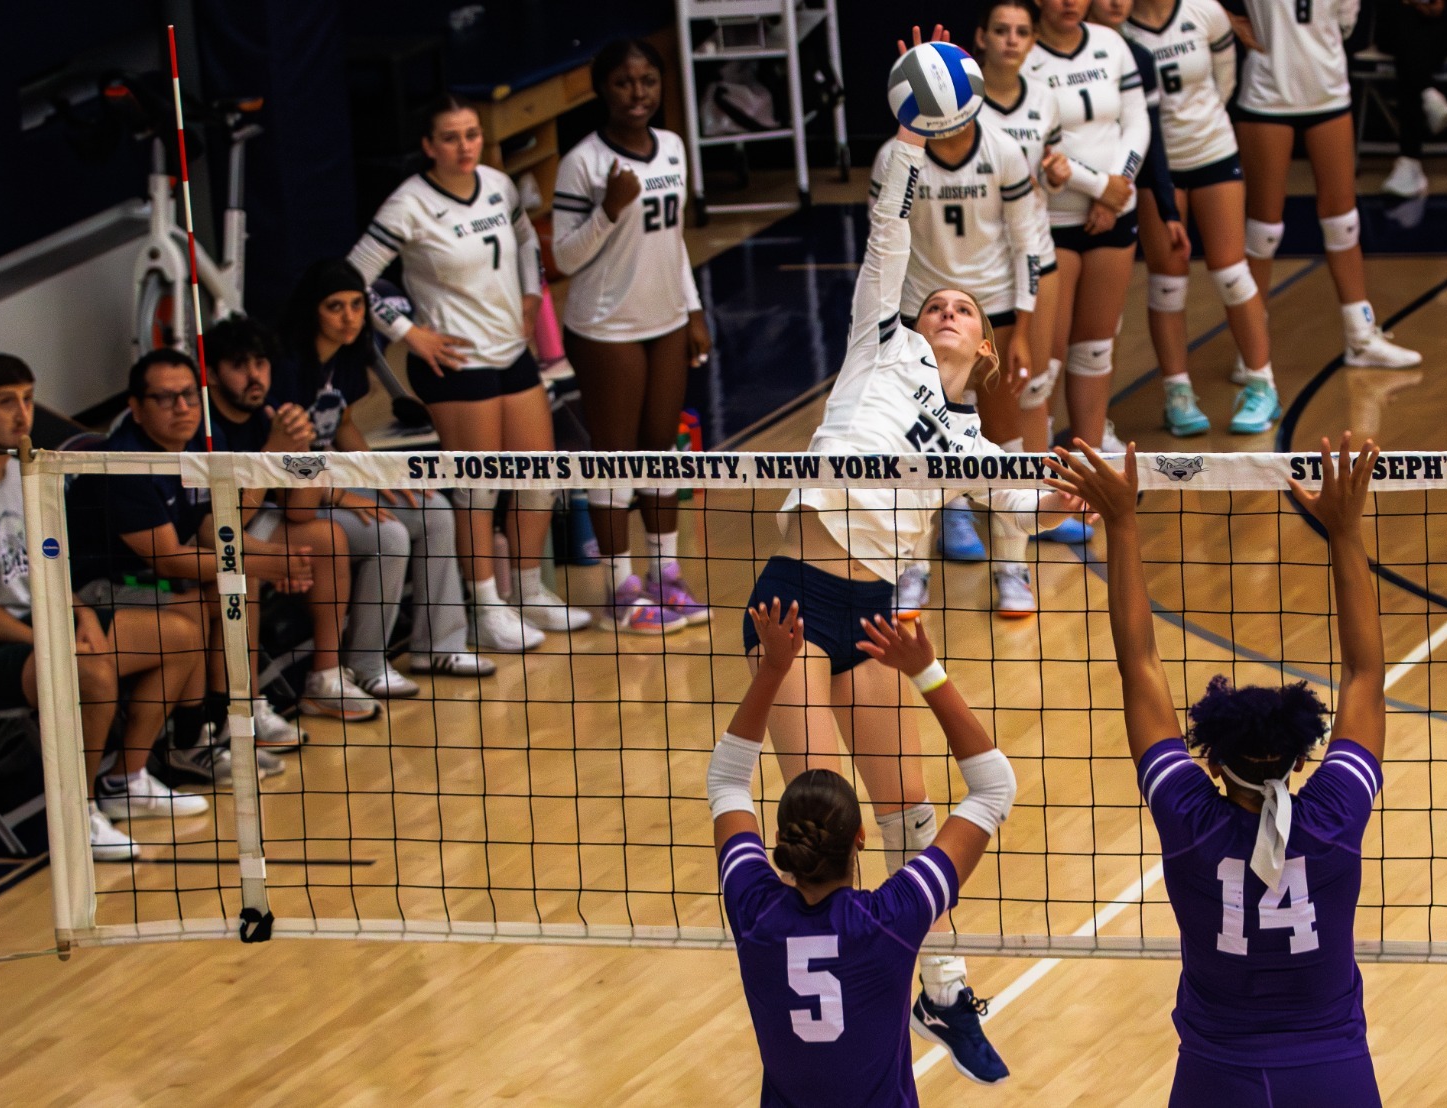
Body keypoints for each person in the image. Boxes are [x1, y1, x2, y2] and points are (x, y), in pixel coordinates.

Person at [739, 63, 1084, 1082]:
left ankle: (939, 987)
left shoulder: (975, 440)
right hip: (797, 597)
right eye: (935, 302)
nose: (942, 307)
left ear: (986, 349)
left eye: (963, 310)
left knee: (906, 814)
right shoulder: (874, 345)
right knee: (813, 800)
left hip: (878, 616)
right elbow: (889, 237)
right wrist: (908, 132)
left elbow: (1022, 496)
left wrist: (1077, 496)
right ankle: (830, 986)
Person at [1045, 433, 1386, 1106]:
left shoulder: (1189, 819)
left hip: (1216, 1075)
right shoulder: (1335, 815)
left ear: (1215, 762)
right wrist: (1343, 532)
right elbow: (1366, 676)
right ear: (1298, 757)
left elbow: (1138, 666)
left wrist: (1121, 521)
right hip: (1331, 1073)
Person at [709, 601, 1016, 1102]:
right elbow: (994, 789)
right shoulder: (890, 919)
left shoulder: (754, 908)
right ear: (859, 839)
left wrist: (773, 669)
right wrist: (925, 671)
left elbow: (726, 783)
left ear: (782, 843)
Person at [0, 355, 209, 860]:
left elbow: (46, 565)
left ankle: (125, 778)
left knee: (180, 635)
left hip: (33, 623)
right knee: (90, 673)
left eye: (27, 399)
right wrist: (54, 638)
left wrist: (80, 613)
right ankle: (77, 811)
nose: (22, 414)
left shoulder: (19, 473)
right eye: (7, 402)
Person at [349, 94, 590, 652]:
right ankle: (486, 606)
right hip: (456, 362)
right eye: (452, 137)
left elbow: (527, 241)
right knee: (479, 489)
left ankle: (530, 591)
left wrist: (532, 296)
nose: (465, 146)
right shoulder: (408, 204)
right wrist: (409, 332)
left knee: (539, 476)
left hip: (512, 352)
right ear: (429, 147)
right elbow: (353, 275)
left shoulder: (499, 186)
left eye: (472, 134)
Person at [66, 349, 315, 780]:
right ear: (137, 409)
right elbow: (169, 560)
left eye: (188, 396)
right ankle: (186, 743)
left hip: (148, 579)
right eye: (165, 398)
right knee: (200, 600)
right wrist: (257, 564)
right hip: (98, 587)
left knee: (238, 583)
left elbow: (214, 528)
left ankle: (225, 725)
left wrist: (277, 558)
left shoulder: (197, 444)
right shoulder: (125, 463)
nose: (182, 407)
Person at [868, 55, 1052, 618]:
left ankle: (1012, 571)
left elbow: (1029, 246)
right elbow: (883, 236)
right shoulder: (894, 159)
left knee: (1008, 447)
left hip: (991, 311)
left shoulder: (1003, 151)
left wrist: (1021, 326)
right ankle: (910, 573)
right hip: (916, 316)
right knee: (913, 449)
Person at [552, 40, 713, 635]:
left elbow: (671, 244)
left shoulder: (672, 147)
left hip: (666, 319)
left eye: (648, 80)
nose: (639, 92)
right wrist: (609, 210)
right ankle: (620, 586)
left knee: (659, 449)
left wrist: (693, 309)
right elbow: (564, 257)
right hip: (606, 326)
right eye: (624, 82)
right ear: (603, 89)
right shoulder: (584, 162)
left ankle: (665, 574)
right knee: (615, 456)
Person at [272, 259, 493, 684]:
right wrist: (340, 495)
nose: (350, 317)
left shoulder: (348, 357)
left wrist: (381, 477)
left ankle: (440, 647)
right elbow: (280, 464)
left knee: (435, 511)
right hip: (287, 497)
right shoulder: (287, 367)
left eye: (357, 305)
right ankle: (368, 665)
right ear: (312, 311)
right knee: (387, 534)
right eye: (335, 307)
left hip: (329, 480)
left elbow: (344, 424)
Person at [1222, 0, 1422, 420]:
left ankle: (1360, 336)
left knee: (1343, 222)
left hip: (1328, 91)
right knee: (1263, 229)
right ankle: (1249, 350)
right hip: (1267, 96)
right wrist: (1224, 18)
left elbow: (1346, 24)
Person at [204, 316, 382, 721]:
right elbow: (222, 522)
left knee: (327, 537)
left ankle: (324, 678)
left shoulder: (271, 417)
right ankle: (244, 708)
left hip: (248, 525)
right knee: (242, 570)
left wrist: (298, 448)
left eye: (261, 364)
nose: (254, 376)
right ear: (212, 375)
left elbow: (301, 509)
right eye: (239, 365)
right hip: (208, 532)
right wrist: (270, 457)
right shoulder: (208, 430)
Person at [1117, 0, 1281, 437]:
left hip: (1212, 152)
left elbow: (1224, 80)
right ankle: (1178, 393)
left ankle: (1262, 383)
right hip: (1157, 168)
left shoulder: (1204, 11)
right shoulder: (1119, 28)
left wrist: (1201, 122)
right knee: (1167, 281)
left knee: (1231, 270)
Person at [1028, 0, 1152, 455]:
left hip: (1112, 220)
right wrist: (1102, 188)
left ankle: (1091, 461)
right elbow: (1035, 145)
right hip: (1051, 222)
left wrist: (1118, 187)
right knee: (1047, 362)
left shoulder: (1110, 43)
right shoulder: (1025, 54)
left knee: (1095, 350)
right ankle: (1036, 473)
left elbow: (1137, 122)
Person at [972, 0, 1072, 459]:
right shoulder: (962, 104)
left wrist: (1054, 176)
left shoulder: (1044, 98)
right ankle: (974, 505)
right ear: (981, 37)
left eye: (1021, 32)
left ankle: (1038, 502)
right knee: (975, 390)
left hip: (1035, 249)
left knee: (1034, 383)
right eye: (1001, 30)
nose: (1011, 40)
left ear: (1033, 41)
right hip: (981, 258)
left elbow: (1049, 173)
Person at [1374, 0, 1447, 198]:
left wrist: (1444, 5)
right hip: (1401, 21)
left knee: (1411, 50)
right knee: (1407, 33)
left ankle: (1409, 160)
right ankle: (1427, 94)